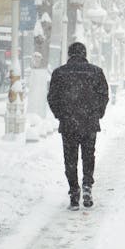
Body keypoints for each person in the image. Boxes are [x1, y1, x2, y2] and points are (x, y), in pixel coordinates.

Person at [47, 41, 109, 210]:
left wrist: (61, 115)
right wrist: (97, 114)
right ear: (84, 54)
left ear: (69, 54)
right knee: (89, 156)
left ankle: (74, 193)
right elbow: (104, 95)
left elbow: (52, 97)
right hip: (89, 123)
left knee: (70, 159)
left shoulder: (59, 73)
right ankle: (87, 185)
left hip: (68, 124)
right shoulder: (96, 72)